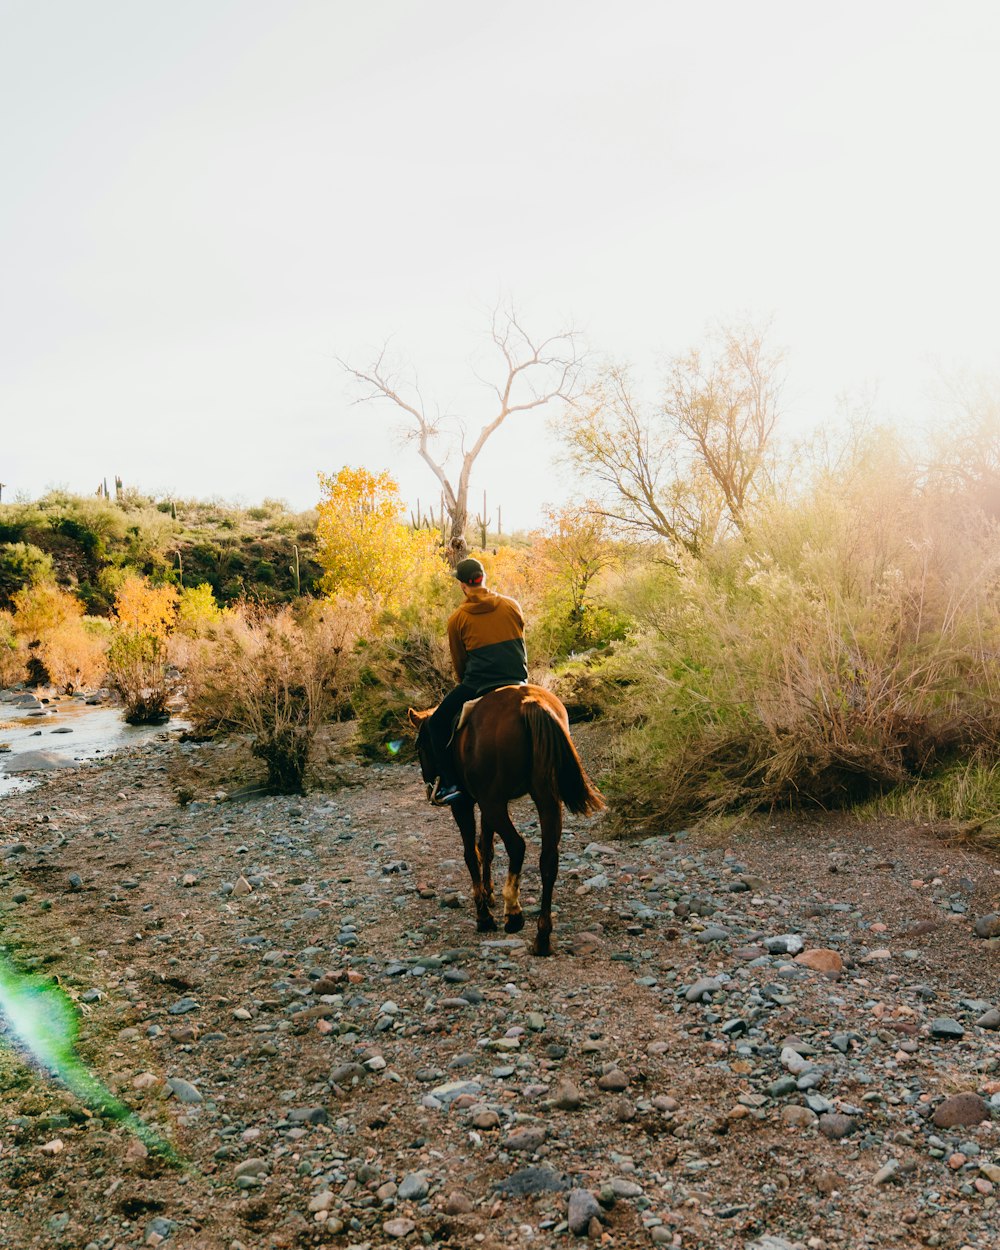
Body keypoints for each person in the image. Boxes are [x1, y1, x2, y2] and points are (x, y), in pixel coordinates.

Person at [428, 556, 528, 804]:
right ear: (484, 578)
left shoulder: (457, 619)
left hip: (479, 684)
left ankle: (449, 784)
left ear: (463, 585)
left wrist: (469, 687)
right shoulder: (511, 605)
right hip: (518, 679)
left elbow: (460, 663)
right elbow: (521, 644)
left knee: (436, 724)